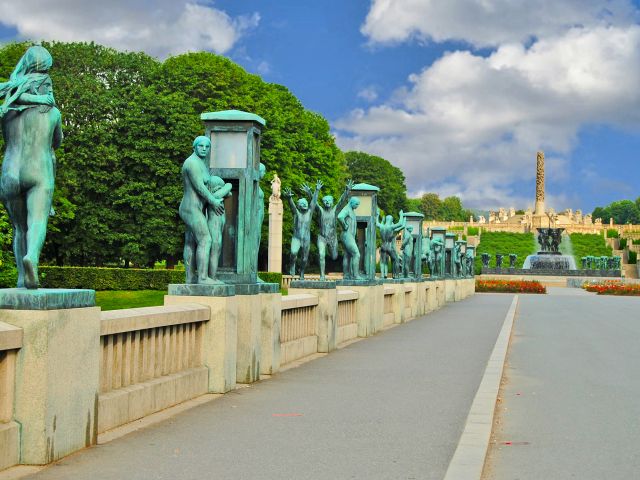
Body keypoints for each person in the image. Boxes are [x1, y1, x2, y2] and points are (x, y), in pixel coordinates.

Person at [0, 45, 61, 288]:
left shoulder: (6, 113)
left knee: (19, 227)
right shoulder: (53, 113)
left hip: (9, 172)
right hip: (39, 171)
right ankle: (31, 258)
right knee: (37, 221)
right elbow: (57, 142)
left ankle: (20, 280)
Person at [179, 136, 226, 284]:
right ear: (194, 147)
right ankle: (203, 278)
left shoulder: (201, 163)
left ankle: (190, 278)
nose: (204, 149)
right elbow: (199, 186)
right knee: (205, 239)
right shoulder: (192, 163)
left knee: (190, 241)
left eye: (207, 146)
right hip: (190, 207)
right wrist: (213, 201)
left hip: (196, 208)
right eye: (201, 146)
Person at [310, 179, 353, 280]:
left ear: (332, 202)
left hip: (333, 238)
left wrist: (346, 191)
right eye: (325, 201)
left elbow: (341, 202)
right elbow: (314, 203)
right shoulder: (320, 211)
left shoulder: (335, 211)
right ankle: (322, 276)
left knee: (334, 257)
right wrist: (316, 190)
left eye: (329, 201)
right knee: (321, 255)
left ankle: (332, 253)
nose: (327, 202)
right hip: (322, 237)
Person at [283, 180, 322, 279]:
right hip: (296, 238)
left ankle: (302, 273)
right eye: (302, 203)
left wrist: (316, 190)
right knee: (293, 253)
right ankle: (292, 265)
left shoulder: (309, 212)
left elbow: (313, 202)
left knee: (304, 259)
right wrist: (289, 198)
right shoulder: (296, 213)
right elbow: (292, 206)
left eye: (305, 203)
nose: (304, 204)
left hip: (306, 239)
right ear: (298, 206)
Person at [376, 209, 405, 278]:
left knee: (382, 261)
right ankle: (395, 275)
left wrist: (377, 215)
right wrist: (401, 215)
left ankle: (383, 275)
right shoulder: (391, 227)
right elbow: (400, 223)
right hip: (389, 246)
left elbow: (376, 222)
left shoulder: (381, 226)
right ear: (391, 220)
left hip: (383, 245)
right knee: (396, 260)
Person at [338, 196, 362, 279]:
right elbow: (340, 216)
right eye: (356, 204)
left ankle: (346, 275)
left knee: (347, 255)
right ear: (351, 202)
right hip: (347, 235)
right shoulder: (347, 209)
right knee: (356, 254)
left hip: (348, 236)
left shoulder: (351, 210)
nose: (357, 206)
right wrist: (344, 225)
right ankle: (355, 275)